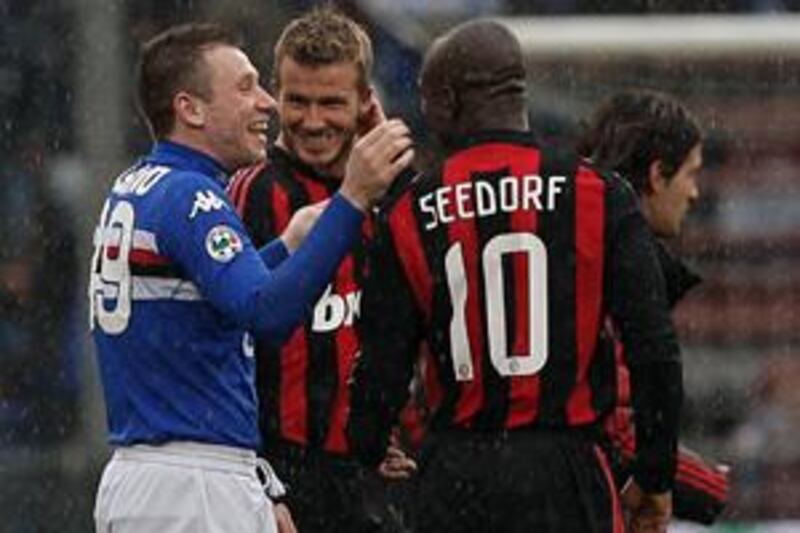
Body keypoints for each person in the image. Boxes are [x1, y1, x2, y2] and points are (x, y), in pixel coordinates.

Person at [348, 19, 683, 533]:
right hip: (568, 474)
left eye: (427, 95)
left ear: (449, 99)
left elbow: (381, 365)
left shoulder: (411, 213)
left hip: (458, 476)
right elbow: (654, 350)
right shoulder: (597, 194)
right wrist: (655, 476)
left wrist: (370, 446)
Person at [89, 22, 413, 533]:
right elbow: (265, 313)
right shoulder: (192, 196)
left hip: (154, 474)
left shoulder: (137, 183)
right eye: (245, 87)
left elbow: (209, 303)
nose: (265, 103)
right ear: (190, 109)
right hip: (192, 485)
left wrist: (286, 246)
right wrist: (351, 199)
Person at [227, 9, 415, 533]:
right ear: (275, 96)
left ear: (365, 105)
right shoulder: (255, 191)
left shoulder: (394, 194)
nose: (312, 121)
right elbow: (225, 342)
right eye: (297, 101)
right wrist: (259, 481)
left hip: (373, 471)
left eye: (331, 102)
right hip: (285, 474)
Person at [579, 89, 730, 526]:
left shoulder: (571, 246)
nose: (696, 192)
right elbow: (616, 427)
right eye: (691, 173)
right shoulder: (614, 272)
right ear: (657, 174)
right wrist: (706, 487)